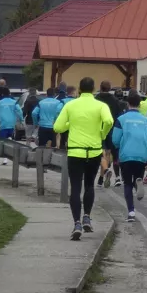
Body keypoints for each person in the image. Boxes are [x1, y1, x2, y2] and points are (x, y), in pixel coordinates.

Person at [52, 78, 114, 239]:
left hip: (75, 152)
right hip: (93, 151)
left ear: (79, 89)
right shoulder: (101, 105)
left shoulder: (70, 105)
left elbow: (57, 127)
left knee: (75, 188)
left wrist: (70, 125)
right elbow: (108, 120)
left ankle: (76, 223)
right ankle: (87, 216)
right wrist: (102, 133)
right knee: (89, 185)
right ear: (93, 89)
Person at [107, 102, 147, 223]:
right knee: (137, 177)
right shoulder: (146, 120)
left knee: (127, 183)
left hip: (126, 155)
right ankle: (138, 183)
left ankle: (131, 212)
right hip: (141, 155)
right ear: (139, 104)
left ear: (128, 104)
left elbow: (115, 139)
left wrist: (119, 147)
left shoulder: (121, 119)